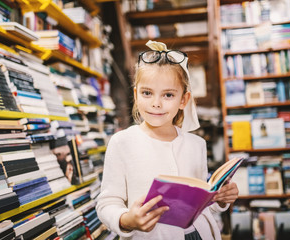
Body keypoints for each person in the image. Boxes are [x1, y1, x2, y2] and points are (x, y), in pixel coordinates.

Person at [96, 40, 239, 240]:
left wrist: (221, 199)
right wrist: (127, 220)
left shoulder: (196, 144)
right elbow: (107, 204)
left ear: (183, 100)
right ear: (136, 95)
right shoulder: (122, 142)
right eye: (147, 93)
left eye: (168, 95)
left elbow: (200, 206)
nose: (156, 103)